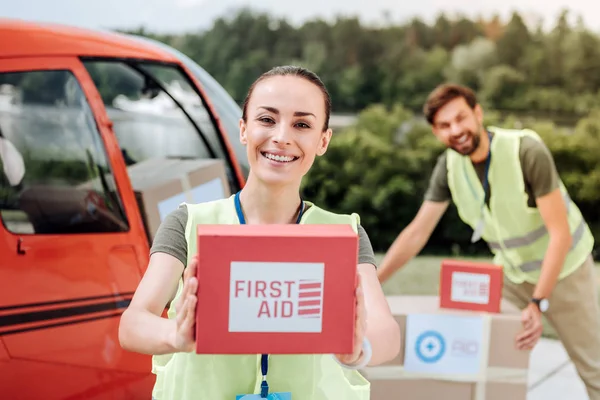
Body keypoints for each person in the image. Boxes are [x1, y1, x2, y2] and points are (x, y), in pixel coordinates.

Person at [119, 65, 401, 400]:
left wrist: (359, 349)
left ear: (323, 140)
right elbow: (133, 323)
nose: (282, 136)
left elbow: (387, 332)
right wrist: (175, 335)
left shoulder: (344, 234)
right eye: (267, 119)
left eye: (302, 124)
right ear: (243, 129)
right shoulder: (187, 223)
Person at [377, 82, 600, 399]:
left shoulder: (526, 152)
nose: (456, 130)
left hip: (566, 272)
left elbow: (560, 235)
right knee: (482, 346)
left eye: (461, 118)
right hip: (511, 274)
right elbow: (417, 233)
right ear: (435, 133)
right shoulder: (449, 166)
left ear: (477, 113)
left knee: (593, 369)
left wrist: (539, 302)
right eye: (444, 125)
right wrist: (373, 282)